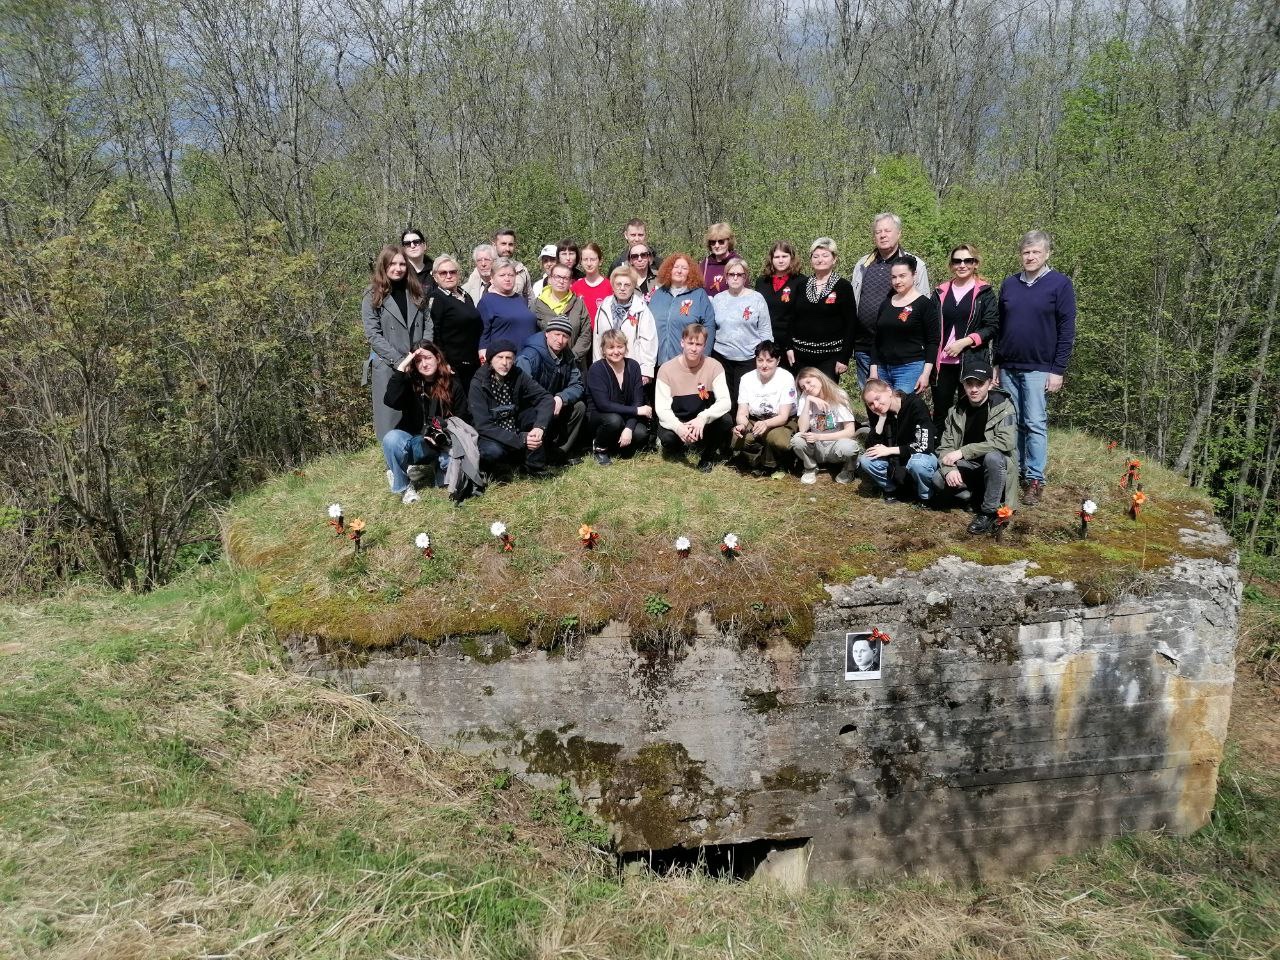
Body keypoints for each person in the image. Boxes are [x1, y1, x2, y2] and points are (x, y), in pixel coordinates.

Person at [994, 229, 1076, 506]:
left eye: (1036, 252)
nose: (1030, 257)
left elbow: (1067, 330)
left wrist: (1058, 369)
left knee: (1035, 423)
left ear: (1047, 254)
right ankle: (1013, 473)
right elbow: (1000, 326)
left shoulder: (1060, 284)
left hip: (1040, 367)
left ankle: (1035, 479)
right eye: (1026, 252)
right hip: (1008, 365)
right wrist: (996, 362)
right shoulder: (1010, 284)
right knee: (1011, 422)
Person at [930, 355, 1019, 534]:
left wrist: (963, 451)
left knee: (993, 458)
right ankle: (973, 498)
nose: (974, 389)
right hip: (969, 466)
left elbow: (1006, 442)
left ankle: (987, 512)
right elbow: (945, 447)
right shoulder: (956, 411)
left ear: (990, 384)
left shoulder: (1005, 407)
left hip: (996, 466)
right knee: (938, 479)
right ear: (963, 385)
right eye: (969, 384)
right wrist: (950, 469)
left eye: (979, 384)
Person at [362, 245, 432, 453]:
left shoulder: (416, 291)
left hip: (418, 361)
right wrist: (400, 360)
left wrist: (422, 351)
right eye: (393, 263)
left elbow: (428, 324)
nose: (398, 268)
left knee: (418, 415)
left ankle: (418, 460)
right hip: (389, 364)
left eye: (402, 263)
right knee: (391, 419)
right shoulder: (372, 294)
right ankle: (395, 467)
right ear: (384, 266)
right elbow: (373, 334)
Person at [383, 341, 470, 503]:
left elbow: (462, 417)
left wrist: (443, 432)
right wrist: (402, 368)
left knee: (448, 478)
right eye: (418, 360)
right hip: (414, 440)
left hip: (442, 442)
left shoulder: (452, 383)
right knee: (391, 439)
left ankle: (435, 467)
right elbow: (391, 400)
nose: (424, 364)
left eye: (428, 358)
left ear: (437, 358)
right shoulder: (410, 383)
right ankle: (404, 487)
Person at [850, 213, 931, 387]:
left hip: (901, 349)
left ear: (899, 233)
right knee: (872, 400)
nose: (883, 235)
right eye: (878, 231)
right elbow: (854, 301)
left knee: (900, 404)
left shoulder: (915, 265)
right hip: (865, 345)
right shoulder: (863, 264)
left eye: (887, 230)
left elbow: (925, 307)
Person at [932, 243, 998, 432]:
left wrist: (965, 342)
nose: (962, 265)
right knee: (941, 411)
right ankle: (938, 454)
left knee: (971, 410)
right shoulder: (940, 291)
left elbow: (992, 326)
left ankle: (968, 454)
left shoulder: (984, 292)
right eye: (957, 261)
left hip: (972, 360)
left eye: (967, 260)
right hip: (942, 363)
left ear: (975, 263)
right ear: (951, 265)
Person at [655, 323, 732, 472]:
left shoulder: (715, 366)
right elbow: (662, 408)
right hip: (678, 419)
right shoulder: (666, 369)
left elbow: (725, 402)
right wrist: (679, 428)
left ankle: (707, 456)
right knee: (668, 439)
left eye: (699, 344)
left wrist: (703, 418)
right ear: (682, 342)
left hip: (701, 421)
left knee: (726, 420)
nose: (694, 348)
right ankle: (682, 445)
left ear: (704, 346)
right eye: (690, 343)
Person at [469, 339, 554, 474]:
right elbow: (483, 425)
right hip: (491, 434)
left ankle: (534, 467)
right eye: (500, 357)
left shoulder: (518, 374)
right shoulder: (478, 382)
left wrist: (539, 427)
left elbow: (545, 398)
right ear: (490, 359)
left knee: (536, 416)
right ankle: (497, 470)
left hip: (514, 425)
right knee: (492, 452)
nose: (504, 363)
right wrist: (522, 439)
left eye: (509, 358)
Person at [858, 378, 939, 504]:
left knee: (918, 463)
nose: (876, 405)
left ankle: (925, 497)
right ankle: (891, 490)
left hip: (920, 457)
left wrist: (889, 450)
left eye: (878, 398)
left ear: (889, 390)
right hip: (896, 464)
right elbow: (870, 447)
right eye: (871, 404)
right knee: (866, 459)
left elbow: (924, 445)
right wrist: (881, 420)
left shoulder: (915, 405)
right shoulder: (880, 413)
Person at [516, 320, 587, 462]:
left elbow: (578, 384)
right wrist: (547, 402)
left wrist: (561, 398)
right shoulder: (528, 356)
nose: (560, 340)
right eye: (557, 334)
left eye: (565, 336)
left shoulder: (568, 356)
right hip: (532, 407)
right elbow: (522, 391)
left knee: (579, 407)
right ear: (547, 333)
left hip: (555, 403)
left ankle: (559, 452)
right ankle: (532, 455)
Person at [868, 255, 938, 395]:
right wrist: (873, 369)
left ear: (914, 275)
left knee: (903, 411)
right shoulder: (886, 303)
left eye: (902, 276)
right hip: (883, 369)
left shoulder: (924, 304)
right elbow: (878, 339)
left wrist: (926, 374)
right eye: (894, 277)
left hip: (910, 369)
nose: (897, 281)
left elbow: (933, 341)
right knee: (882, 411)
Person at [788, 238, 856, 381]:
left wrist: (844, 357)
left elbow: (851, 324)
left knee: (826, 399)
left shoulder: (843, 287)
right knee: (804, 398)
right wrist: (789, 347)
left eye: (825, 256)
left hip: (830, 357)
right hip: (801, 355)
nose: (820, 260)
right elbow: (792, 318)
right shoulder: (801, 285)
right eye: (816, 256)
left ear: (834, 259)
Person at [711, 256, 773, 408]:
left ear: (745, 277)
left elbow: (765, 329)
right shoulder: (718, 299)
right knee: (724, 399)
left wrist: (766, 356)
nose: (735, 277)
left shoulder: (756, 298)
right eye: (731, 274)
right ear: (726, 277)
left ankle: (742, 429)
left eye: (740, 274)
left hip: (748, 357)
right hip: (721, 357)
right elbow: (711, 327)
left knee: (743, 400)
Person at [586, 328, 653, 465]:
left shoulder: (633, 366)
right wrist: (636, 411)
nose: (616, 351)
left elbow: (637, 401)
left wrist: (628, 428)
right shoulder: (596, 369)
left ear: (625, 348)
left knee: (640, 433)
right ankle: (600, 447)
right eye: (610, 347)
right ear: (603, 350)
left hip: (625, 416)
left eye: (619, 346)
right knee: (614, 421)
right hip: (601, 416)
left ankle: (616, 445)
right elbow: (603, 405)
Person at [731, 340, 796, 475]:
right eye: (760, 360)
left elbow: (783, 416)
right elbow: (742, 411)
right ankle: (756, 459)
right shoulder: (746, 378)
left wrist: (766, 424)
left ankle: (774, 463)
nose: (764, 365)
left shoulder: (786, 378)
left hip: (780, 421)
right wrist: (742, 425)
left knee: (776, 439)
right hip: (756, 418)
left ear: (778, 361)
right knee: (738, 437)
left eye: (769, 361)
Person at [789, 367, 858, 484]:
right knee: (797, 440)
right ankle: (810, 468)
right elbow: (803, 429)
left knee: (851, 447)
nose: (807, 388)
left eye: (809, 382)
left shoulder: (839, 395)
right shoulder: (805, 397)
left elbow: (850, 432)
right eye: (803, 387)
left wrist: (819, 437)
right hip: (816, 447)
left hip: (836, 445)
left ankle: (848, 469)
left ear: (819, 378)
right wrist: (809, 401)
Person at [427, 254, 483, 392]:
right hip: (453, 367)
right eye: (443, 273)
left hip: (472, 363)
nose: (448, 275)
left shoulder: (464, 294)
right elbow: (434, 333)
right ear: (435, 277)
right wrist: (443, 362)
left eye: (452, 272)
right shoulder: (437, 298)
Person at [649, 253, 717, 367]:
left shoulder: (699, 295)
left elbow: (709, 327)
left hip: (688, 363)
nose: (679, 271)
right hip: (658, 363)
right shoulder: (658, 294)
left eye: (684, 268)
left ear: (690, 272)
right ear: (669, 270)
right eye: (676, 267)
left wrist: (703, 357)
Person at [593, 266, 658, 382]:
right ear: (613, 285)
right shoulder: (603, 306)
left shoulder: (641, 309)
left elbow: (649, 340)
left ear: (633, 286)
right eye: (618, 284)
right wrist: (597, 367)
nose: (622, 288)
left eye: (627, 285)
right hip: (606, 369)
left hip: (632, 369)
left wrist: (646, 371)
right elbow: (598, 339)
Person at [532, 262, 592, 367]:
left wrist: (572, 357)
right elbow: (532, 334)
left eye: (565, 278)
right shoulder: (536, 305)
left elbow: (585, 334)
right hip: (545, 365)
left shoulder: (579, 304)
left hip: (574, 365)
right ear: (550, 279)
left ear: (570, 282)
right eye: (557, 277)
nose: (561, 281)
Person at [478, 258, 538, 361]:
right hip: (503, 362)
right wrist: (485, 363)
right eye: (502, 275)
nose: (507, 278)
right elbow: (482, 337)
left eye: (511, 275)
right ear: (492, 279)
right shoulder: (487, 301)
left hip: (528, 360)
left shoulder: (520, 300)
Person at [755, 242, 803, 368]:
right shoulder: (761, 282)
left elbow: (801, 317)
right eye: (777, 257)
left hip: (790, 344)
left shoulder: (801, 281)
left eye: (784, 256)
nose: (780, 260)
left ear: (791, 258)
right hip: (765, 341)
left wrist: (790, 345)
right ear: (771, 259)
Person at [572, 242, 611, 326]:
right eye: (585, 259)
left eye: (593, 259)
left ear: (600, 261)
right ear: (581, 262)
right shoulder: (575, 287)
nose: (589, 264)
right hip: (582, 336)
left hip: (604, 335)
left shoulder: (610, 286)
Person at [492, 227, 533, 302]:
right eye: (503, 244)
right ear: (494, 245)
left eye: (510, 244)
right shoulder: (486, 268)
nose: (507, 248)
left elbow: (530, 299)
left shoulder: (521, 270)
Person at [700, 222, 737, 295]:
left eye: (721, 241)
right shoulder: (704, 265)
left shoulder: (737, 263)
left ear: (729, 242)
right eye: (713, 242)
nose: (717, 246)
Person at [401, 227, 434, 291]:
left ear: (424, 246)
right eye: (407, 243)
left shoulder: (437, 270)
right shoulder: (399, 272)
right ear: (403, 249)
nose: (412, 246)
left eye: (416, 242)